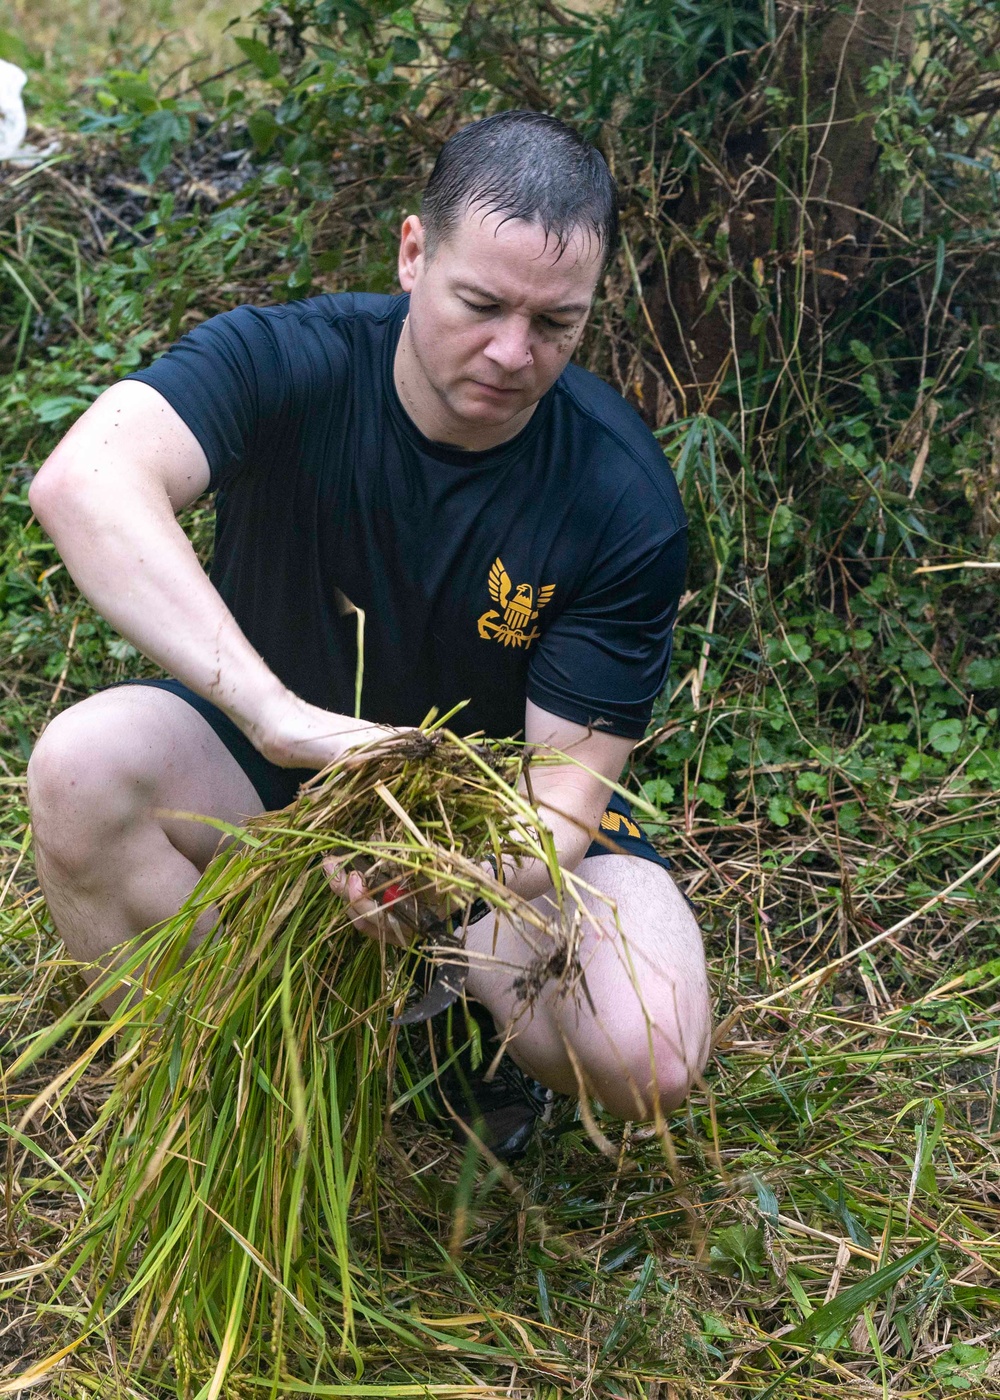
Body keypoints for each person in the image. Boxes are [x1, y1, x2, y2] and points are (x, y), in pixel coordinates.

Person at [26, 110, 711, 1143]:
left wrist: (432, 874)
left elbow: (563, 799)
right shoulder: (285, 358)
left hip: (485, 829)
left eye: (556, 323)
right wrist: (274, 715)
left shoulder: (618, 495)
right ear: (411, 253)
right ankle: (232, 1084)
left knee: (646, 1046)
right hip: (266, 779)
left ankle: (445, 1023)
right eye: (479, 303)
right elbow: (84, 480)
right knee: (82, 763)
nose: (512, 351)